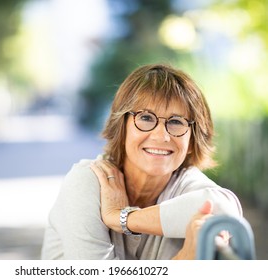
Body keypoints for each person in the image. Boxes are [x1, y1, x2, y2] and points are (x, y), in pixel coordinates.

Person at [41, 63, 242, 260]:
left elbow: (227, 212)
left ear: (191, 140)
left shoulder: (186, 184)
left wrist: (122, 218)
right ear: (123, 127)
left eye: (175, 122)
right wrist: (183, 262)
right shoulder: (88, 181)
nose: (161, 136)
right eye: (146, 118)